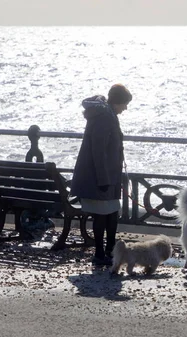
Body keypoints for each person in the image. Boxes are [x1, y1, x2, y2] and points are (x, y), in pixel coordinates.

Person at [70, 84, 132, 266]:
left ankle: (109, 250)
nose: (125, 108)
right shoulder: (104, 117)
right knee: (102, 215)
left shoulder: (106, 114)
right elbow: (98, 150)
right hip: (100, 176)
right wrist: (103, 179)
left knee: (111, 213)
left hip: (107, 175)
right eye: (124, 104)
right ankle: (99, 253)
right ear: (117, 101)